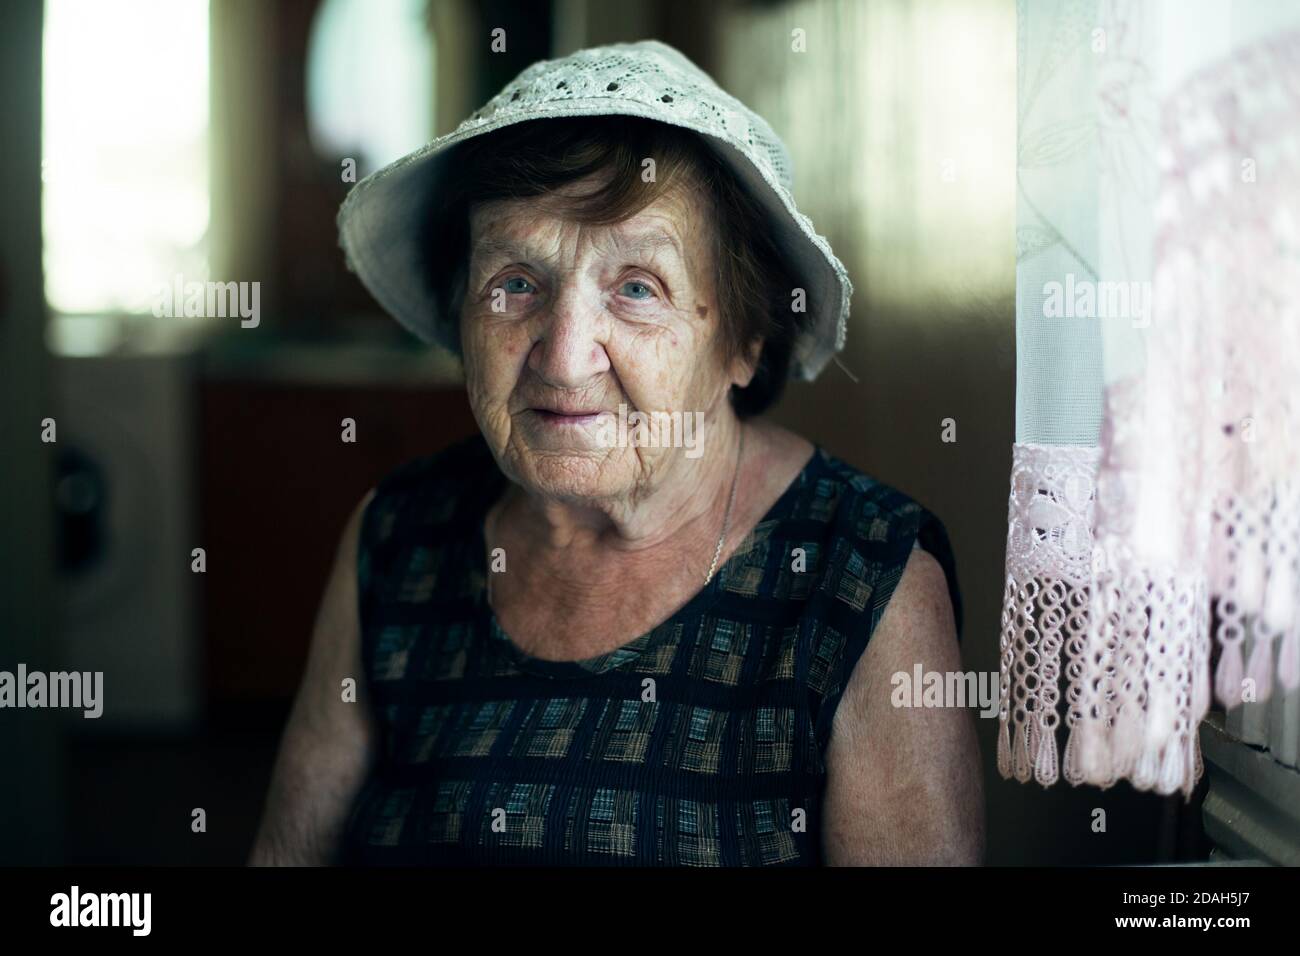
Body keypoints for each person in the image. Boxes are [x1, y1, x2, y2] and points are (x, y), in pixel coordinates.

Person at [250, 39, 982, 866]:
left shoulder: (866, 581)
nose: (564, 358)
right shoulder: (394, 539)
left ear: (742, 340)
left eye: (638, 288)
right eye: (516, 283)